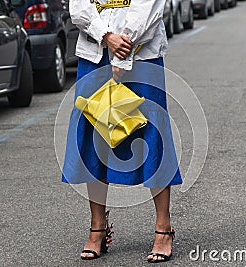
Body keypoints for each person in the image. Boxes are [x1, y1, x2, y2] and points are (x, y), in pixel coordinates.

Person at [62, 0, 183, 263]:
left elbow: (149, 8)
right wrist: (106, 37)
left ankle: (164, 227)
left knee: (153, 135)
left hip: (141, 53)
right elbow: (78, 7)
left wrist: (121, 51)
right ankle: (97, 227)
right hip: (94, 52)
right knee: (93, 137)